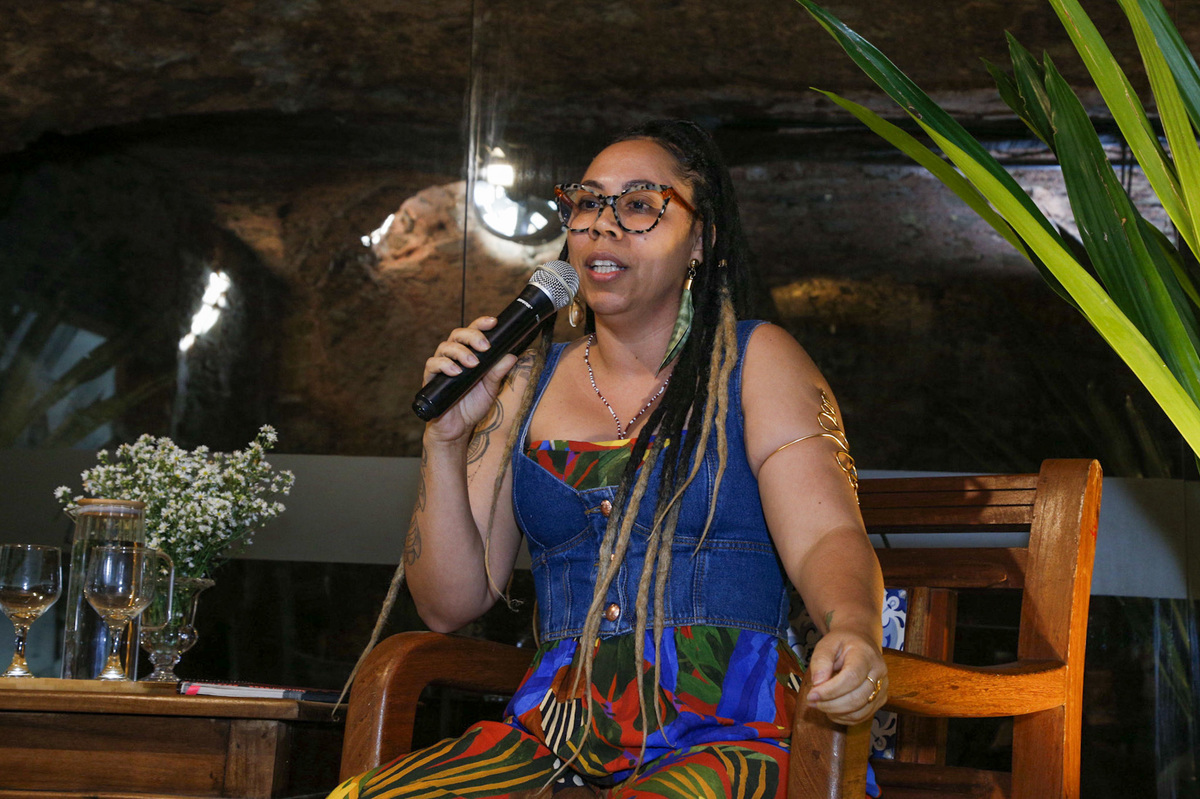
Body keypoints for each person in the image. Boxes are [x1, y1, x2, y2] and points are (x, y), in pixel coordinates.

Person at [330, 119, 887, 799]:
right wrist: (445, 442)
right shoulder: (524, 385)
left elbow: (828, 536)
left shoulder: (755, 360)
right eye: (588, 202)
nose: (602, 224)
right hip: (554, 738)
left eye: (640, 204)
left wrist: (853, 628)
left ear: (702, 241)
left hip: (733, 732)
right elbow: (450, 605)